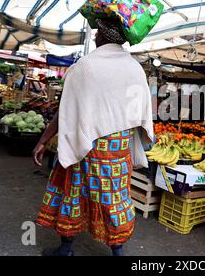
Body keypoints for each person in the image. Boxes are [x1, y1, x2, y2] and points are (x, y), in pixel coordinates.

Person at [33, 17, 154, 256]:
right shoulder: (135, 69)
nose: (96, 35)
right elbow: (141, 113)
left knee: (72, 194)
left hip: (86, 146)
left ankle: (66, 249)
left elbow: (66, 112)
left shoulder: (85, 66)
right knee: (114, 200)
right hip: (118, 152)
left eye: (98, 32)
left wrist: (43, 139)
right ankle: (117, 252)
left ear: (105, 36)